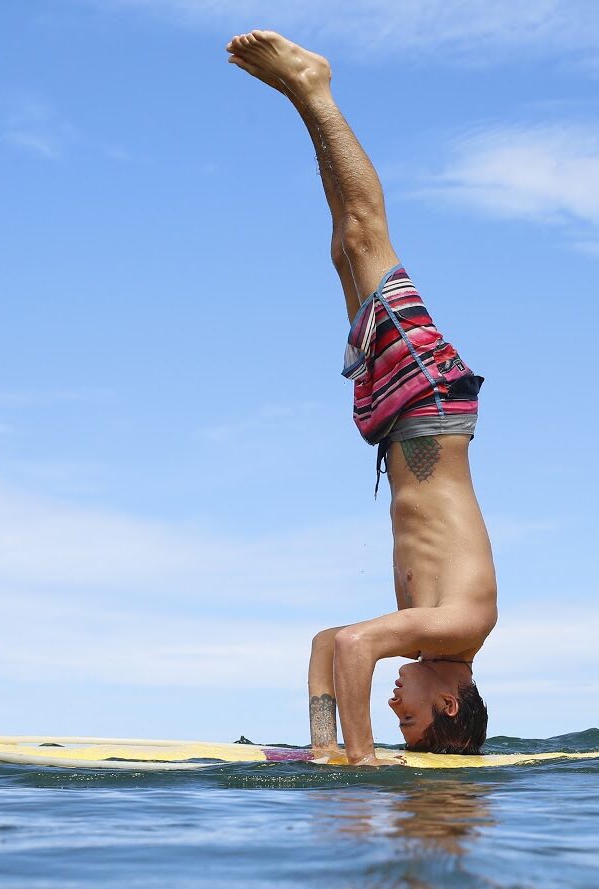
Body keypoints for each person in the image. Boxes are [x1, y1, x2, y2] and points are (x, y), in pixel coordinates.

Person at [226, 30, 498, 766]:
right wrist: (362, 762)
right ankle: (313, 87)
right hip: (431, 404)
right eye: (408, 721)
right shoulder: (465, 622)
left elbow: (327, 645)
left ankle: (302, 98)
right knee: (366, 234)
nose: (392, 707)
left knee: (344, 246)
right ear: (449, 702)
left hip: (400, 418)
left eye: (392, 723)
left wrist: (322, 748)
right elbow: (353, 647)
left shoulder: (427, 631)